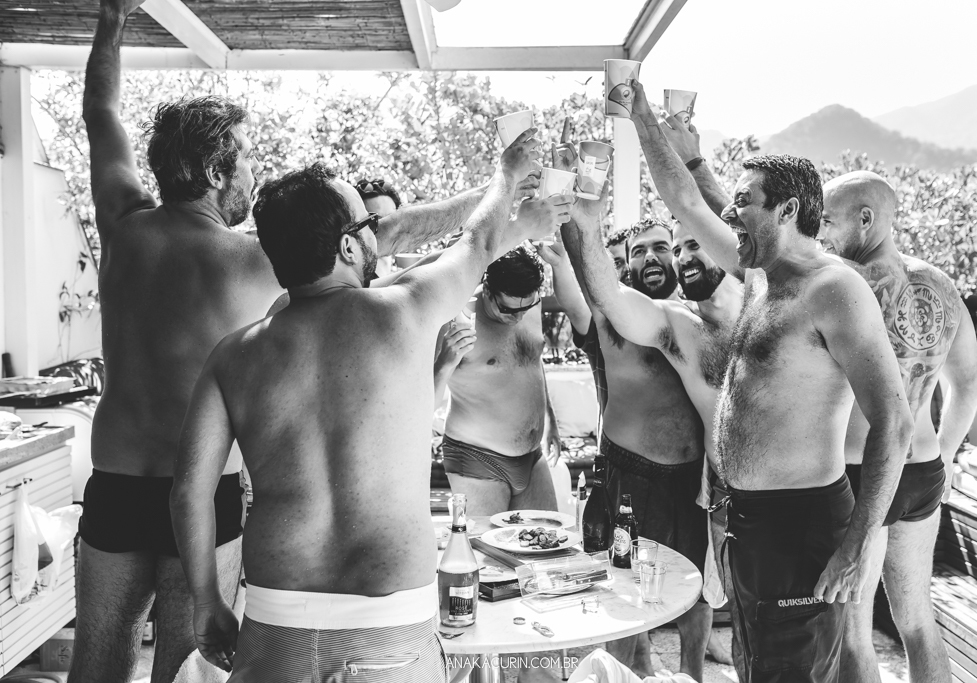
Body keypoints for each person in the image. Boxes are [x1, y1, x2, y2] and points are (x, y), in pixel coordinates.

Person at [77, 3, 512, 680]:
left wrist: (111, 19)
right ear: (215, 171)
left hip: (118, 481)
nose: (253, 173)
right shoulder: (254, 258)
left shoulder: (121, 223)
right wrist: (493, 191)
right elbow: (385, 236)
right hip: (204, 492)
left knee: (97, 666)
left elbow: (100, 113)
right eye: (246, 158)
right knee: (185, 668)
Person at [169, 131, 552, 678]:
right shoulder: (405, 311)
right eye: (368, 225)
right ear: (348, 248)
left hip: (276, 623)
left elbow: (189, 490)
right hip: (392, 627)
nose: (376, 234)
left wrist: (207, 601)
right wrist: (506, 175)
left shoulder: (233, 356)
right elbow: (478, 243)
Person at [625, 78, 914, 683]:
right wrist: (639, 115)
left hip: (802, 525)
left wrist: (858, 547)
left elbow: (895, 422)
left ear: (786, 211)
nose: (730, 214)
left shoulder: (834, 291)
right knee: (755, 666)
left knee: (792, 671)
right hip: (748, 520)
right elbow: (686, 202)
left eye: (744, 202)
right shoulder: (760, 275)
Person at [819, 172, 977, 683]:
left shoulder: (842, 283)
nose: (821, 233)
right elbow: (969, 384)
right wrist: (946, 456)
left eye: (828, 221)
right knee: (916, 618)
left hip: (862, 474)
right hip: (923, 471)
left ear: (865, 219)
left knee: (854, 632)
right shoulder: (942, 286)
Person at [541, 217, 712, 680]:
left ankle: (692, 676)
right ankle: (627, 671)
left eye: (660, 247)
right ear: (627, 266)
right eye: (638, 251)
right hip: (631, 476)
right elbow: (578, 285)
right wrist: (569, 230)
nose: (649, 257)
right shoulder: (610, 316)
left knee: (697, 590)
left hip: (693, 480)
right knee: (622, 587)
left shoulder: (700, 318)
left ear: (677, 255)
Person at [435, 245, 564, 518]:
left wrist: (549, 418)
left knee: (546, 542)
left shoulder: (528, 303)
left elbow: (531, 361)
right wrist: (445, 362)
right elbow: (423, 400)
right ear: (487, 289)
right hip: (476, 459)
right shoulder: (456, 316)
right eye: (507, 309)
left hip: (532, 457)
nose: (518, 318)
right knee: (484, 546)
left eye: (526, 306)